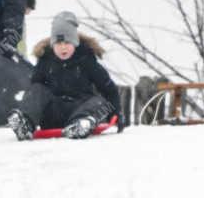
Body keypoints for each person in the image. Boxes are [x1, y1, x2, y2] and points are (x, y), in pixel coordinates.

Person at [8, 11, 121, 140]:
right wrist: (31, 108)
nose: (63, 48)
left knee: (101, 102)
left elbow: (109, 90)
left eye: (67, 43)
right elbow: (35, 92)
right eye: (58, 44)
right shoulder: (46, 61)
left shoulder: (87, 60)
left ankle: (81, 125)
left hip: (81, 109)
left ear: (75, 43)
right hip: (53, 114)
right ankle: (25, 124)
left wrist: (117, 114)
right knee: (37, 89)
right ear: (52, 44)